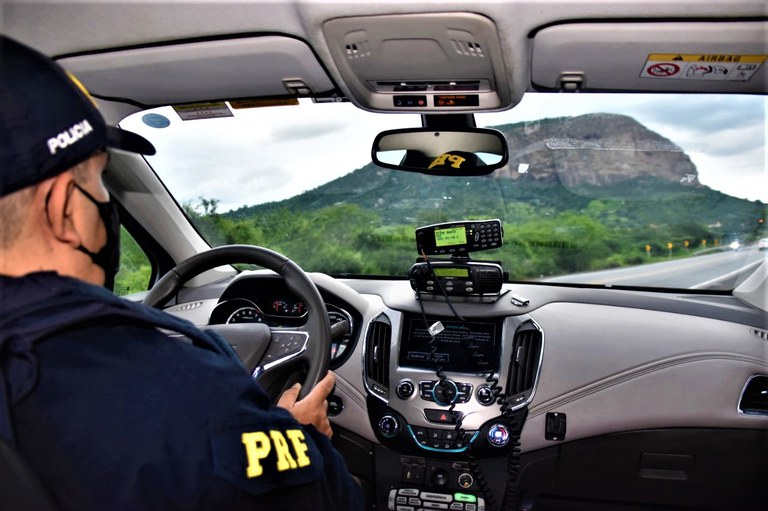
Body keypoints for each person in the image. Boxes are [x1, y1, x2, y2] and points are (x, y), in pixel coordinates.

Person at [0, 35, 364, 511]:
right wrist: (301, 439)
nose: (106, 203)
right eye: (98, 182)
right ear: (63, 208)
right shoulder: (183, 390)